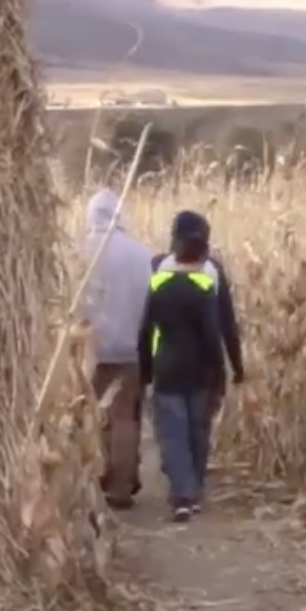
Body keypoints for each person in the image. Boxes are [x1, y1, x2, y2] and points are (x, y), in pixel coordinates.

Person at [138, 211, 241, 522]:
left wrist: (145, 369)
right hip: (201, 371)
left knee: (173, 433)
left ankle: (183, 493)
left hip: (166, 366)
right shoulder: (209, 278)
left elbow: (146, 329)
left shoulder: (158, 274)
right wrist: (228, 368)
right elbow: (221, 328)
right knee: (198, 430)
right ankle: (192, 488)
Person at [78, 188, 155, 509]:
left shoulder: (81, 253)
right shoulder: (142, 255)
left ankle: (95, 482)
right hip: (131, 349)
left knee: (90, 418)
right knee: (124, 418)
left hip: (88, 353)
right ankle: (122, 486)